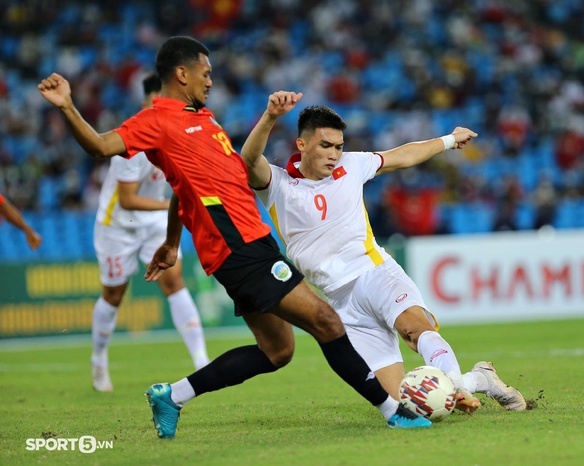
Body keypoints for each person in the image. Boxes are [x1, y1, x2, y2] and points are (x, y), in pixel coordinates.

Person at [38, 35, 430, 438]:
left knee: (278, 351)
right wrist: (68, 106)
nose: (210, 82)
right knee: (326, 320)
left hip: (252, 241)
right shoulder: (155, 121)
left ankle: (171, 396)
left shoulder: (205, 119)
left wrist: (173, 243)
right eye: (205, 74)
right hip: (236, 246)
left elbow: (181, 191)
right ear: (181, 73)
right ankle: (392, 410)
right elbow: (101, 147)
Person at [240, 92, 527, 413]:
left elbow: (403, 155)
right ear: (302, 145)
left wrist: (449, 140)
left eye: (338, 146)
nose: (334, 154)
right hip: (341, 303)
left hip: (375, 273)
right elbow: (250, 160)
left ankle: (463, 384)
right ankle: (478, 380)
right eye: (325, 146)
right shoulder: (277, 185)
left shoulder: (353, 164)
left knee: (416, 329)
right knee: (405, 404)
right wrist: (269, 117)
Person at [90, 73, 209, 392]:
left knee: (175, 281)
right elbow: (127, 200)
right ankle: (99, 360)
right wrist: (180, 205)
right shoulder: (133, 143)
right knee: (114, 295)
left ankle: (201, 361)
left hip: (157, 219)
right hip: (118, 225)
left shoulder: (182, 131)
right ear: (146, 104)